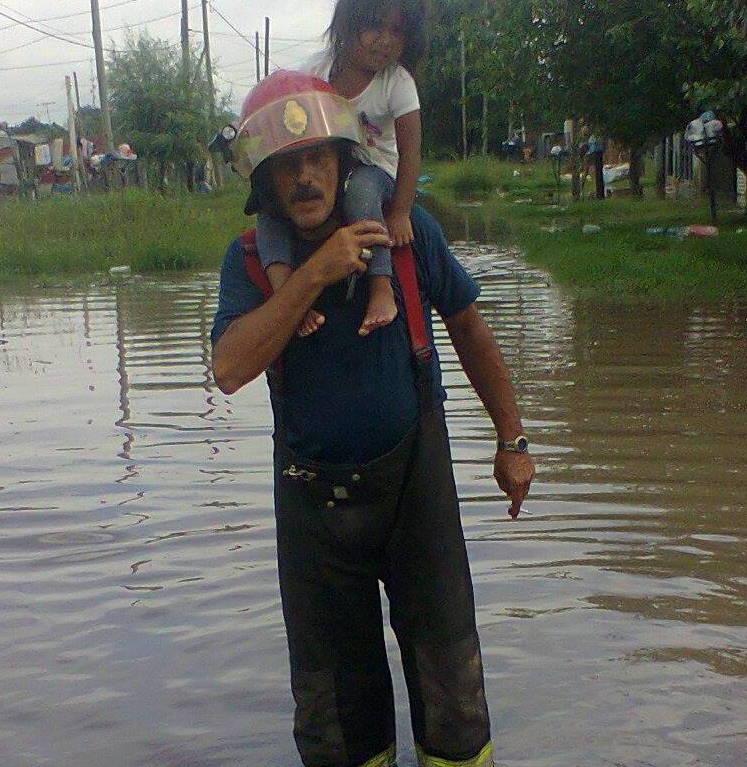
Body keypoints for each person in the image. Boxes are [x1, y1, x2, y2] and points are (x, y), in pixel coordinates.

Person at [211, 71, 535, 767]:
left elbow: (473, 332)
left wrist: (513, 441)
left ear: (342, 163)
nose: (304, 178)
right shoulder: (247, 263)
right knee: (334, 706)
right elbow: (230, 369)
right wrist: (316, 274)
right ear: (265, 184)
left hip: (415, 487)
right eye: (286, 166)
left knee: (451, 683)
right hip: (312, 507)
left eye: (316, 159)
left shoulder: (406, 233)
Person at [254, 0, 425, 339]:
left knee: (362, 192)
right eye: (375, 27)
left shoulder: (396, 82)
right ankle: (287, 296)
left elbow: (411, 151)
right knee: (268, 213)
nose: (385, 40)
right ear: (349, 25)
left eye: (397, 31)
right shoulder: (317, 71)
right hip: (325, 167)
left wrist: (400, 211)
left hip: (375, 167)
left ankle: (381, 286)